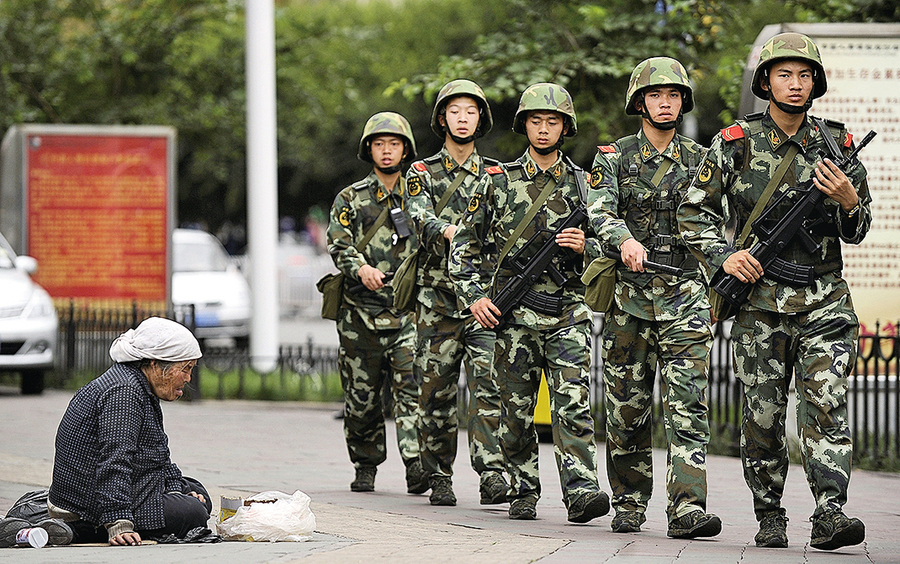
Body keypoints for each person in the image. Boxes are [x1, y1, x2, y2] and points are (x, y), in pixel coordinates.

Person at [677, 32, 871, 550]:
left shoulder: (837, 144)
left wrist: (850, 201)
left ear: (816, 83)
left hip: (825, 301)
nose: (795, 84)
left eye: (804, 75)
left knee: (826, 406)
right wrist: (725, 256)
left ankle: (830, 511)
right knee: (762, 416)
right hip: (760, 305)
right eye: (784, 74)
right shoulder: (735, 142)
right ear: (766, 81)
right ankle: (770, 514)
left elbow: (858, 228)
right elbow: (692, 211)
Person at [449, 83, 610, 523]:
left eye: (552, 122)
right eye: (536, 121)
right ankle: (523, 488)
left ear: (565, 127)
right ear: (523, 125)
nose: (543, 130)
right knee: (514, 411)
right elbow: (463, 246)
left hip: (567, 313)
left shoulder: (585, 185)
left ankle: (582, 491)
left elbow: (612, 246)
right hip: (513, 316)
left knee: (573, 403)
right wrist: (475, 297)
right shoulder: (497, 182)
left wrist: (585, 249)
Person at [589, 57, 721, 538]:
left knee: (689, 408)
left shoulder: (703, 159)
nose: (664, 103)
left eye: (673, 96)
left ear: (683, 101)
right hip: (630, 303)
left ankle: (687, 507)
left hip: (685, 298)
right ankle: (628, 500)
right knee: (627, 410)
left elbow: (715, 225)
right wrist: (623, 239)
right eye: (654, 95)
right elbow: (599, 210)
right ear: (639, 101)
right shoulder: (613, 157)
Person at [404, 79, 508, 507]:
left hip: (483, 300)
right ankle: (439, 475)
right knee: (436, 394)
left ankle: (492, 473)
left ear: (480, 117)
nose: (463, 118)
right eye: (454, 110)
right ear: (441, 119)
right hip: (437, 302)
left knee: (489, 386)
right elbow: (418, 217)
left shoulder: (497, 174)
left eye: (471, 110)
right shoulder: (421, 172)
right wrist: (453, 231)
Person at [327, 111, 427, 495]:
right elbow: (338, 242)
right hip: (359, 315)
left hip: (406, 313)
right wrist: (360, 267)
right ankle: (365, 464)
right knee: (362, 398)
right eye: (379, 144)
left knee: (410, 390)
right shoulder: (350, 197)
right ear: (369, 149)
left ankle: (416, 464)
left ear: (405, 150)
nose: (387, 151)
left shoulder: (419, 194)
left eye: (394, 144)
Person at [45, 317, 212, 546]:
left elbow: (158, 455)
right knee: (195, 514)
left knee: (196, 491)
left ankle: (175, 499)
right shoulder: (125, 393)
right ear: (155, 364)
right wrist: (118, 522)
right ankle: (84, 531)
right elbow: (114, 460)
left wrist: (177, 492)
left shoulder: (139, 385)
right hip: (90, 507)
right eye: (184, 369)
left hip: (123, 486)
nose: (188, 378)